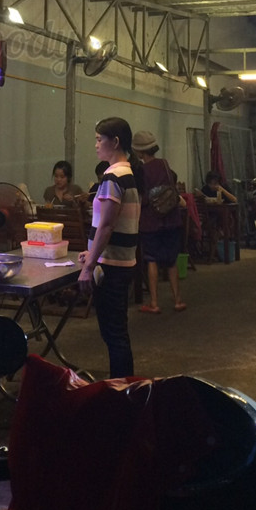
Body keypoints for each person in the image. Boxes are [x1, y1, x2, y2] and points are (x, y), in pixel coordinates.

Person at [78, 117, 141, 378]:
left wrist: (89, 266)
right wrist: (92, 251)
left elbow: (106, 226)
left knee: (114, 335)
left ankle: (120, 390)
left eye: (98, 139)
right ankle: (123, 387)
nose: (95, 145)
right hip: (121, 262)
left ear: (114, 142)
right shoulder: (127, 174)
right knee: (117, 333)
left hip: (112, 267)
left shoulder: (113, 176)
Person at [132, 130, 186, 314]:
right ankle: (177, 300)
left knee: (151, 260)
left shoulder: (140, 170)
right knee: (172, 261)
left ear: (139, 151)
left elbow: (141, 197)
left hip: (151, 221)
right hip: (171, 218)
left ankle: (154, 303)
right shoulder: (164, 164)